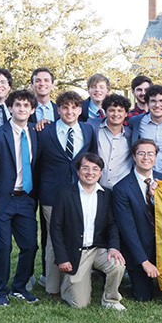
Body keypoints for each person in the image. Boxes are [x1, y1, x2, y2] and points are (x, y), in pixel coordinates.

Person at [37, 90, 97, 297]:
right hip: (52, 194)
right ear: (58, 110)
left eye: (74, 107)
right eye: (65, 107)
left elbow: (93, 160)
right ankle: (52, 287)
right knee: (55, 239)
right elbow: (37, 162)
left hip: (79, 193)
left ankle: (72, 282)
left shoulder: (88, 131)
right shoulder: (45, 131)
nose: (69, 111)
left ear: (80, 110)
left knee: (75, 236)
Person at [50, 153, 126, 310]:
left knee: (118, 264)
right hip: (78, 251)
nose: (90, 172)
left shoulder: (106, 194)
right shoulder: (65, 194)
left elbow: (112, 224)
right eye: (85, 168)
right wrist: (62, 258)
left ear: (100, 173)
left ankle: (110, 300)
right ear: (77, 171)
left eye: (95, 169)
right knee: (80, 304)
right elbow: (55, 228)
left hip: (98, 249)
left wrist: (114, 247)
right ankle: (68, 284)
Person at [0, 90, 40, 306]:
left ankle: (19, 287)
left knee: (30, 245)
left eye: (26, 106)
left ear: (32, 110)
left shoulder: (37, 133)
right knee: (3, 247)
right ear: (10, 108)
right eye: (17, 105)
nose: (21, 109)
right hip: (2, 199)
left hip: (26, 198)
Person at [113, 139, 160, 301]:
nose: (146, 157)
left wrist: (156, 199)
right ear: (134, 156)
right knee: (144, 297)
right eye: (141, 153)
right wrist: (144, 262)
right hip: (139, 252)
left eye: (150, 153)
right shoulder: (122, 188)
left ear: (155, 157)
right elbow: (128, 230)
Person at [87, 94, 133, 189]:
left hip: (122, 190)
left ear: (126, 114)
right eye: (112, 110)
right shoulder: (93, 127)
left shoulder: (131, 136)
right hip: (96, 187)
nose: (116, 114)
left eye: (120, 111)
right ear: (105, 112)